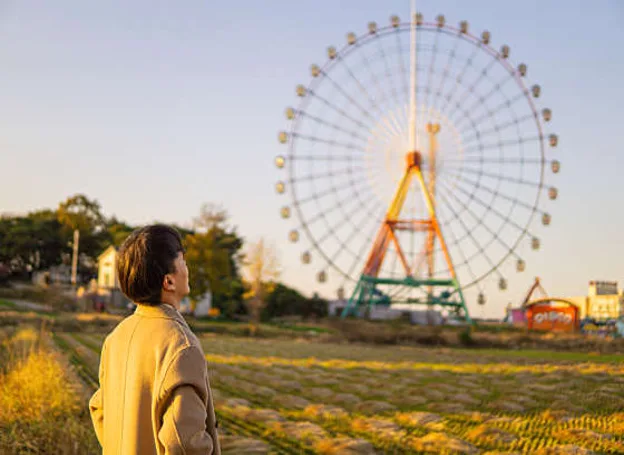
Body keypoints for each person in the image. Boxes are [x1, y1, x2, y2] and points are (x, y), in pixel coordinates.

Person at [89, 225, 220, 454]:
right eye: (184, 263)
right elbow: (184, 443)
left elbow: (99, 409)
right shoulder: (181, 346)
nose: (188, 269)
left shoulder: (116, 337)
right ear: (168, 282)